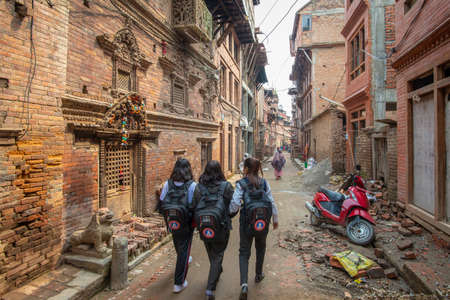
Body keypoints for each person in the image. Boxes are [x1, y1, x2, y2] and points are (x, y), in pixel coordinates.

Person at [230, 157, 279, 300]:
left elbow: (234, 203)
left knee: (244, 252)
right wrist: (275, 219)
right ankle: (258, 275)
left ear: (245, 169)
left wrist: (230, 213)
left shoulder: (241, 184)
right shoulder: (264, 183)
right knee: (261, 248)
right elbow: (271, 202)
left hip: (246, 223)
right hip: (262, 223)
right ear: (258, 169)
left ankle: (244, 284)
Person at [192, 161, 235, 300]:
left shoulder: (199, 188)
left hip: (204, 227)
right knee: (217, 255)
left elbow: (194, 207)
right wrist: (228, 216)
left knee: (212, 252)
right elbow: (233, 207)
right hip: (221, 227)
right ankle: (210, 290)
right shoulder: (226, 186)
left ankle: (217, 270)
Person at [159, 158, 196, 294]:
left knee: (178, 242)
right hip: (186, 223)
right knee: (184, 249)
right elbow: (194, 205)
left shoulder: (168, 184)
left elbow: (162, 201)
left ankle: (185, 257)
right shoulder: (192, 185)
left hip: (172, 221)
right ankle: (178, 283)